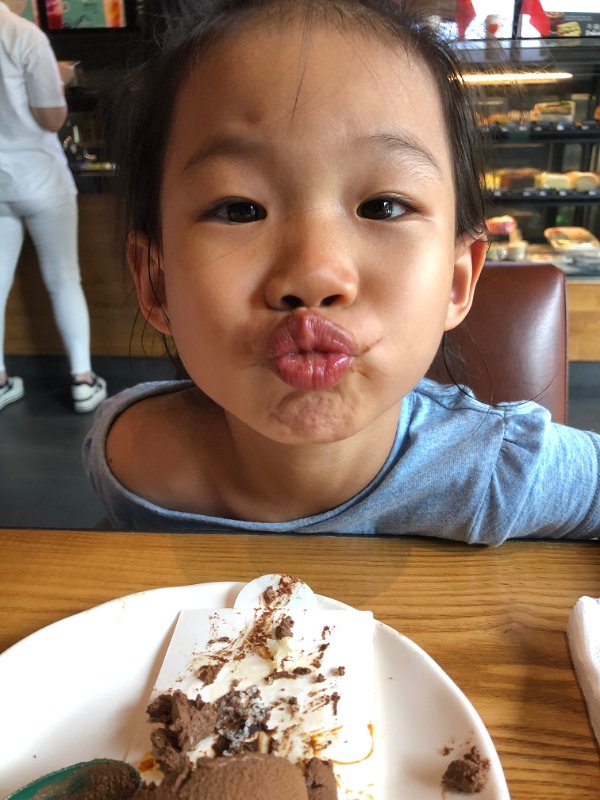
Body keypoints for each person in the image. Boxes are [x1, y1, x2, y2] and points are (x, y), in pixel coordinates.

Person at [83, 0, 600, 540]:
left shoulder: (497, 471)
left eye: (383, 207)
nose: (314, 275)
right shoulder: (128, 456)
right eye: (239, 210)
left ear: (456, 280)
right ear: (157, 282)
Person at [0, 0, 107, 413]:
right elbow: (50, 119)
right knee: (63, 278)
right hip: (41, 178)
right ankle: (82, 380)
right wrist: (56, 80)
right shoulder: (24, 36)